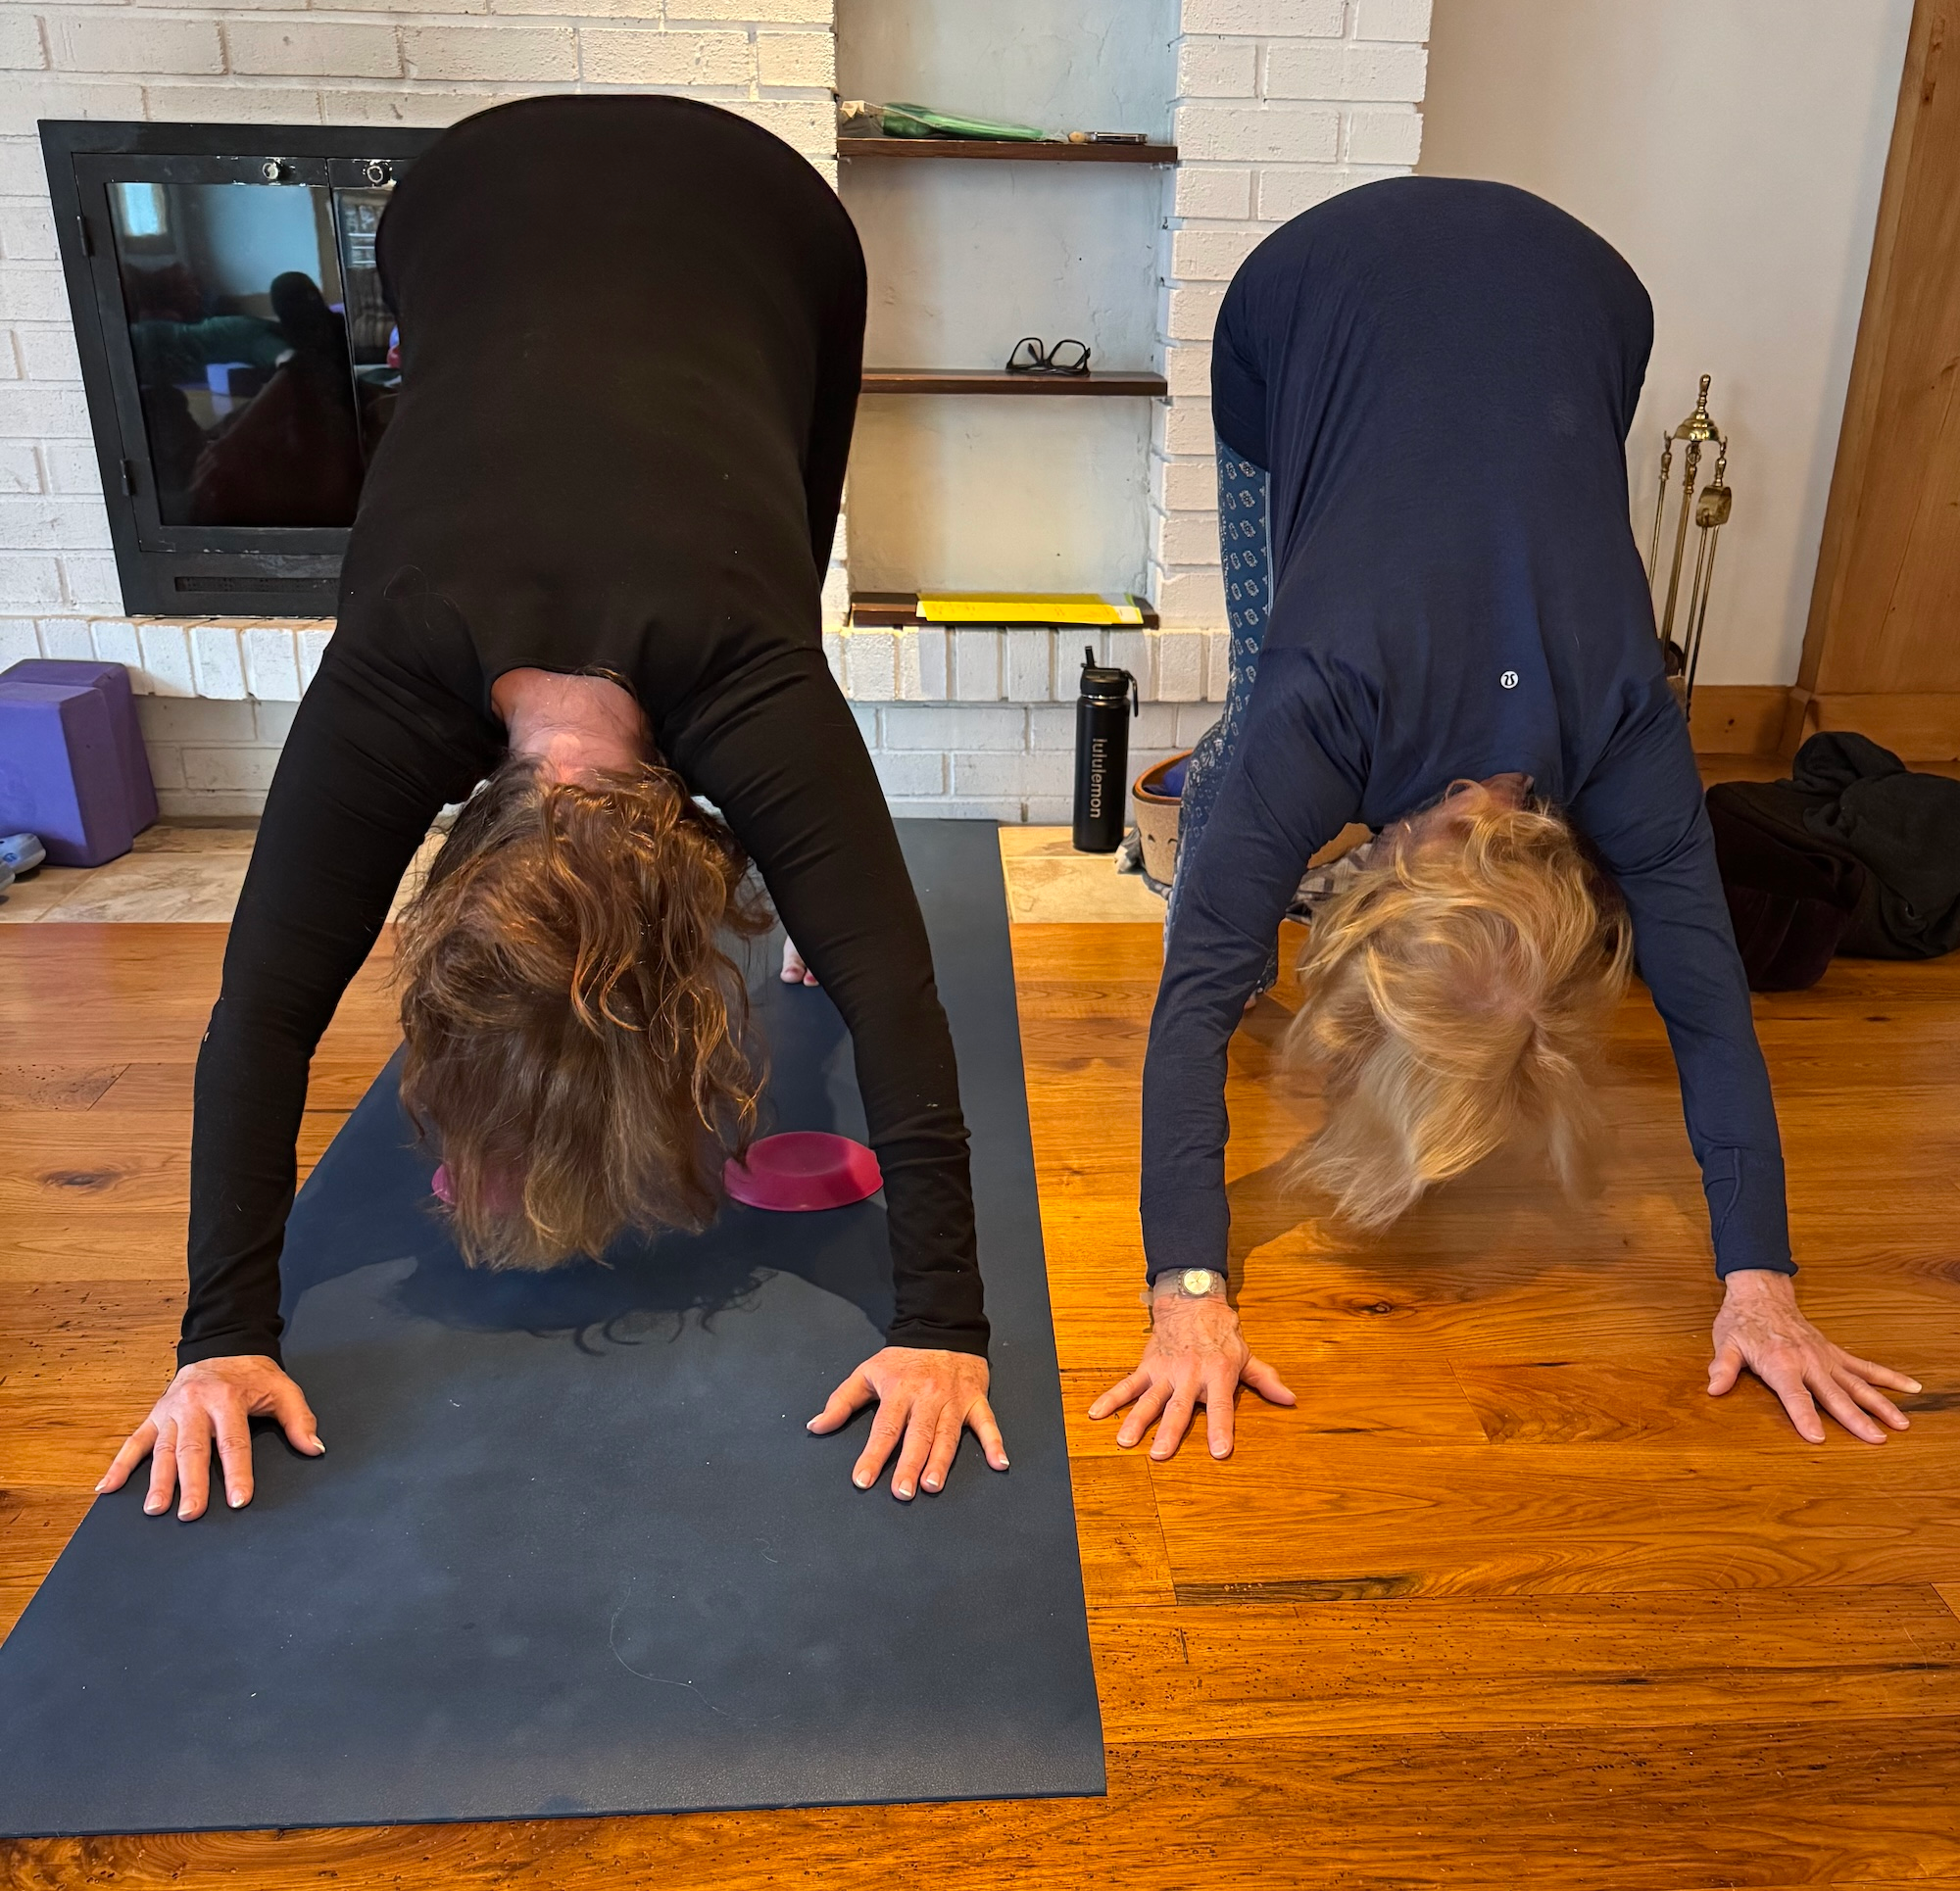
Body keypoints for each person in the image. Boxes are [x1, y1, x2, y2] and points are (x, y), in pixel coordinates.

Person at [98, 96, 1005, 1522]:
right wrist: (215, 1337)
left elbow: (898, 999)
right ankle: (805, 862)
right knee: (778, 662)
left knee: (785, 546)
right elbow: (260, 1015)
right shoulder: (393, 675)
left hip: (774, 230)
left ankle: (803, 860)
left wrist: (948, 1322)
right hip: (451, 209)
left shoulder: (750, 668)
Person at [1091, 177, 1920, 1459]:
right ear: (1353, 898)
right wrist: (1187, 1284)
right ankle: (1231, 858)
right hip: (1302, 288)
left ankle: (1238, 865)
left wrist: (1764, 1279)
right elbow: (1195, 1002)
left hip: (1592, 305)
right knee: (1259, 686)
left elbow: (1712, 1006)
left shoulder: (1628, 724)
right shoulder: (1320, 715)